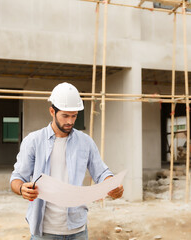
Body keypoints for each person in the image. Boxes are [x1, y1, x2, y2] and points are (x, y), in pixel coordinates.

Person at [10, 82, 124, 240]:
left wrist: (112, 185)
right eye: (65, 115)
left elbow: (102, 172)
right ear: (52, 111)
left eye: (74, 116)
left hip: (77, 230)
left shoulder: (85, 142)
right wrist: (22, 188)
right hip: (44, 231)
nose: (70, 121)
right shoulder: (34, 141)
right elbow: (17, 178)